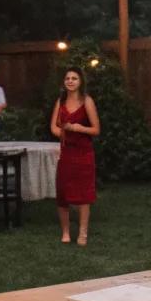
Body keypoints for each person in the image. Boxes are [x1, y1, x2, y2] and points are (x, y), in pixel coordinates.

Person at [50, 67, 99, 245]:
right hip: (67, 153)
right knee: (63, 192)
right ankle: (65, 232)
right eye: (68, 78)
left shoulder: (87, 101)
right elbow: (54, 126)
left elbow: (96, 129)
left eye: (74, 78)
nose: (70, 81)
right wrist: (62, 133)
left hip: (84, 153)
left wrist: (78, 128)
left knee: (83, 193)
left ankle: (83, 233)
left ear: (80, 82)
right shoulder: (61, 101)